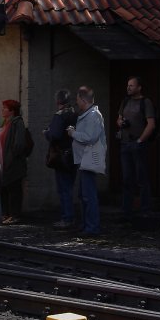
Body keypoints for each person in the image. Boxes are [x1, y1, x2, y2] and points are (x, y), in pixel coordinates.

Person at [116, 76, 156, 217]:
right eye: (128, 85)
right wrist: (121, 123)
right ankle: (126, 209)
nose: (128, 88)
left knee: (142, 178)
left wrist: (140, 140)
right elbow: (119, 118)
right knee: (127, 178)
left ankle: (145, 209)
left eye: (131, 85)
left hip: (138, 144)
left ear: (139, 87)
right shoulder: (125, 101)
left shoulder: (146, 102)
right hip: (125, 144)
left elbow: (151, 124)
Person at [67, 86, 104, 235]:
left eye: (77, 100)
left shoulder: (94, 115)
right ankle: (86, 225)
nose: (76, 103)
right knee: (84, 194)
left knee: (89, 195)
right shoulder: (89, 114)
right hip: (84, 160)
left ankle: (92, 227)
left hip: (89, 159)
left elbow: (90, 137)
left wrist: (74, 133)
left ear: (83, 100)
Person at [44, 89, 77, 228]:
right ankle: (70, 217)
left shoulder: (60, 116)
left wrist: (47, 133)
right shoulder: (76, 114)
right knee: (69, 186)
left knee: (63, 188)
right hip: (75, 154)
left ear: (58, 101)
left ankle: (67, 218)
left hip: (62, 155)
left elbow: (55, 135)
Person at [0, 99, 31, 224]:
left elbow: (19, 144)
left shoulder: (17, 123)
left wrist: (11, 157)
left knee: (14, 190)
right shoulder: (5, 123)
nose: (2, 110)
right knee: (5, 189)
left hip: (14, 163)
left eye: (5, 108)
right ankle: (6, 214)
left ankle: (14, 215)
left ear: (12, 111)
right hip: (5, 163)